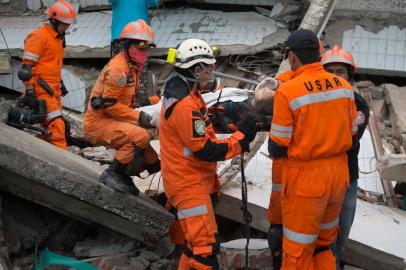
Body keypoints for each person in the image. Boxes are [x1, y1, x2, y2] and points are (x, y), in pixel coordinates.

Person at [159, 38, 258, 270]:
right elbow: (206, 150)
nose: (212, 72)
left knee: (192, 248)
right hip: (189, 186)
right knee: (205, 253)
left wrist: (224, 123)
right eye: (210, 68)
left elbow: (199, 130)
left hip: (188, 180)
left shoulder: (185, 93)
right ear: (197, 69)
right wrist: (241, 138)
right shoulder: (185, 104)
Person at [268, 29, 358, 270]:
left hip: (307, 181)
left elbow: (277, 146)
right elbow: (351, 131)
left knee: (298, 250)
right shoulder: (344, 87)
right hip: (339, 176)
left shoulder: (288, 91)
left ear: (293, 56)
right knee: (322, 245)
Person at [84, 19, 160, 195]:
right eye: (140, 47)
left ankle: (125, 175)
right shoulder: (119, 69)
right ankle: (113, 173)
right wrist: (139, 118)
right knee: (140, 136)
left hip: (114, 119)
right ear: (127, 45)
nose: (144, 52)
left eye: (147, 47)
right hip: (99, 123)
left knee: (152, 159)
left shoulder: (132, 67)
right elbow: (110, 106)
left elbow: (124, 104)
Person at [321, 45, 369, 270]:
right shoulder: (313, 102)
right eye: (329, 72)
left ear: (349, 75)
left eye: (339, 72)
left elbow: (350, 140)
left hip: (347, 177)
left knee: (341, 232)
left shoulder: (358, 104)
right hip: (319, 177)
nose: (334, 77)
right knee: (321, 236)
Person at [18, 0, 77, 149]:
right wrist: (30, 92)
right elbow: (26, 69)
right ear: (54, 20)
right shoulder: (39, 36)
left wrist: (60, 83)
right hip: (41, 89)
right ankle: (63, 163)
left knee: (53, 125)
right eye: (65, 24)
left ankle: (36, 150)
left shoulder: (58, 38)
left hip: (52, 88)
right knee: (57, 125)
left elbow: (51, 65)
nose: (67, 27)